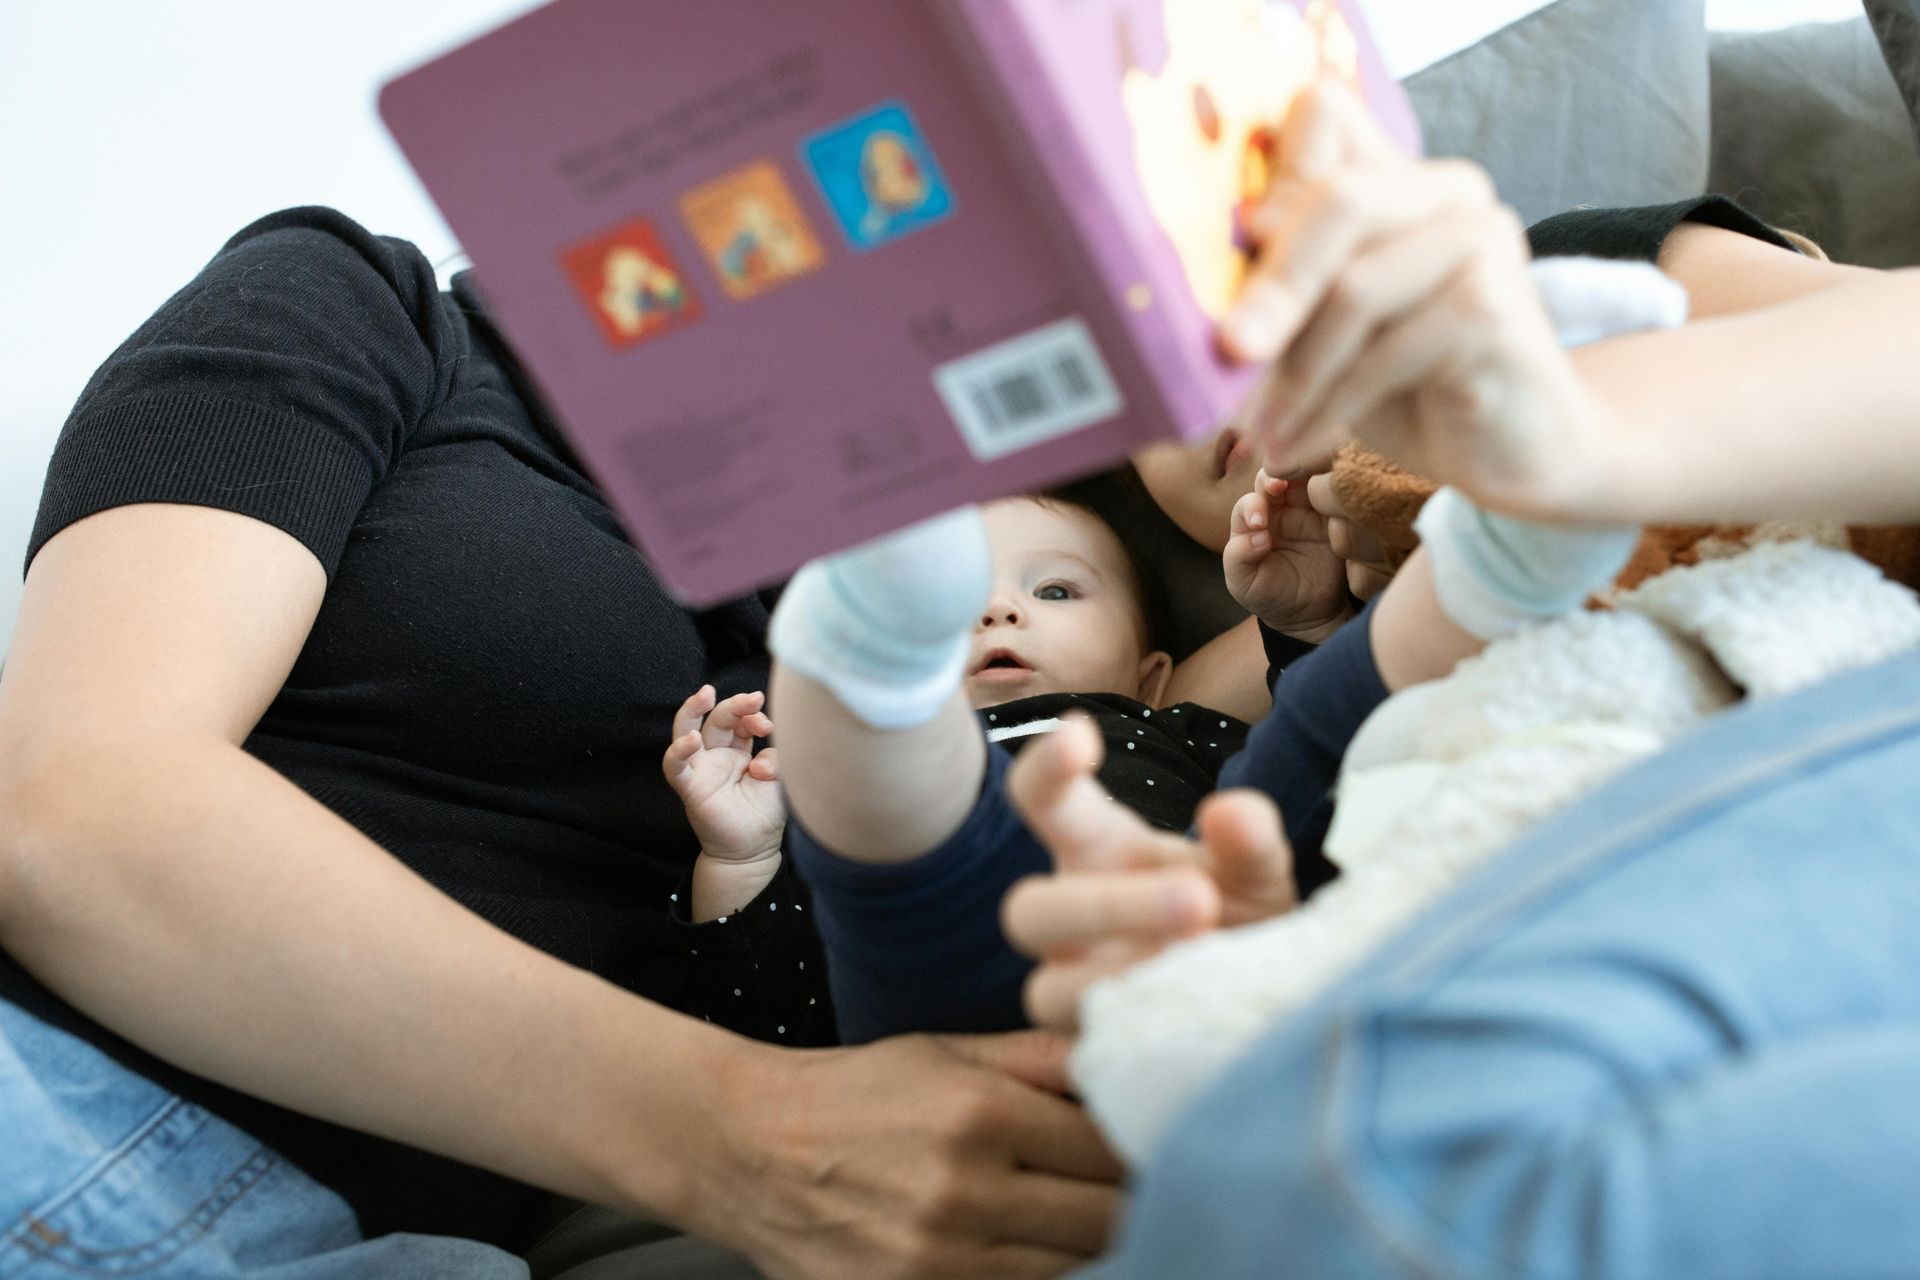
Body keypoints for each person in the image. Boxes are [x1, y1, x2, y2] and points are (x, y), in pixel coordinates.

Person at [0, 206, 1124, 1280]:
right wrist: (747, 1138)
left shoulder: (931, 605)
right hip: (62, 1100)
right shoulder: (368, 306)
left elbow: (1192, 701)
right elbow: (80, 804)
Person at [987, 85, 1920, 1277]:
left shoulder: (1557, 288)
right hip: (1550, 934)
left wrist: (1576, 430)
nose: (1199, 382)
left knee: (1294, 1183)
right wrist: (1323, 633)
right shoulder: (1281, 664)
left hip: (1823, 723)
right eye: (1153, 399)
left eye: (1211, 300)